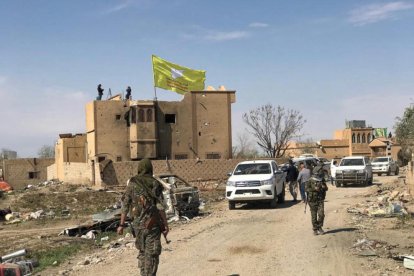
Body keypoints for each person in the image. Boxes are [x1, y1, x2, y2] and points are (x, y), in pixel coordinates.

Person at [118, 158, 169, 276]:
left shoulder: (132, 183)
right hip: (153, 225)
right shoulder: (155, 183)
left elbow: (125, 205)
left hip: (137, 226)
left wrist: (121, 225)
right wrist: (165, 225)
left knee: (142, 252)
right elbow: (160, 207)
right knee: (152, 253)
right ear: (150, 168)